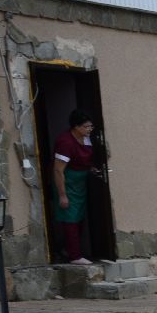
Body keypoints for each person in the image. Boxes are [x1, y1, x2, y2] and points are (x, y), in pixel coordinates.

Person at [52, 109, 99, 265]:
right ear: (76, 127)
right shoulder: (65, 142)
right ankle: (75, 256)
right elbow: (58, 170)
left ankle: (67, 248)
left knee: (79, 217)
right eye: (86, 126)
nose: (89, 129)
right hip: (68, 182)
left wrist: (90, 167)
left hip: (80, 183)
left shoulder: (86, 138)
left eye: (90, 126)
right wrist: (62, 194)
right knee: (70, 218)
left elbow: (85, 158)